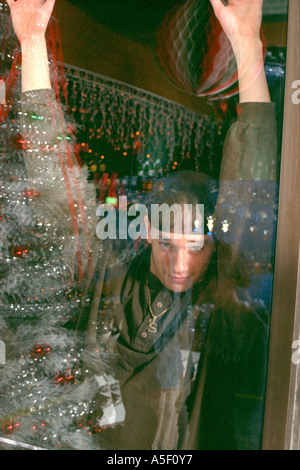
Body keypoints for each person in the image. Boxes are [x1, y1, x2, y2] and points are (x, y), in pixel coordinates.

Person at [6, 0, 277, 450]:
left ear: (215, 244)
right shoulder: (109, 278)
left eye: (196, 245)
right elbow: (55, 185)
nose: (180, 262)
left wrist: (247, 49)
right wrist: (33, 42)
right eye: (168, 242)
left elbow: (253, 181)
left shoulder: (222, 301)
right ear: (147, 231)